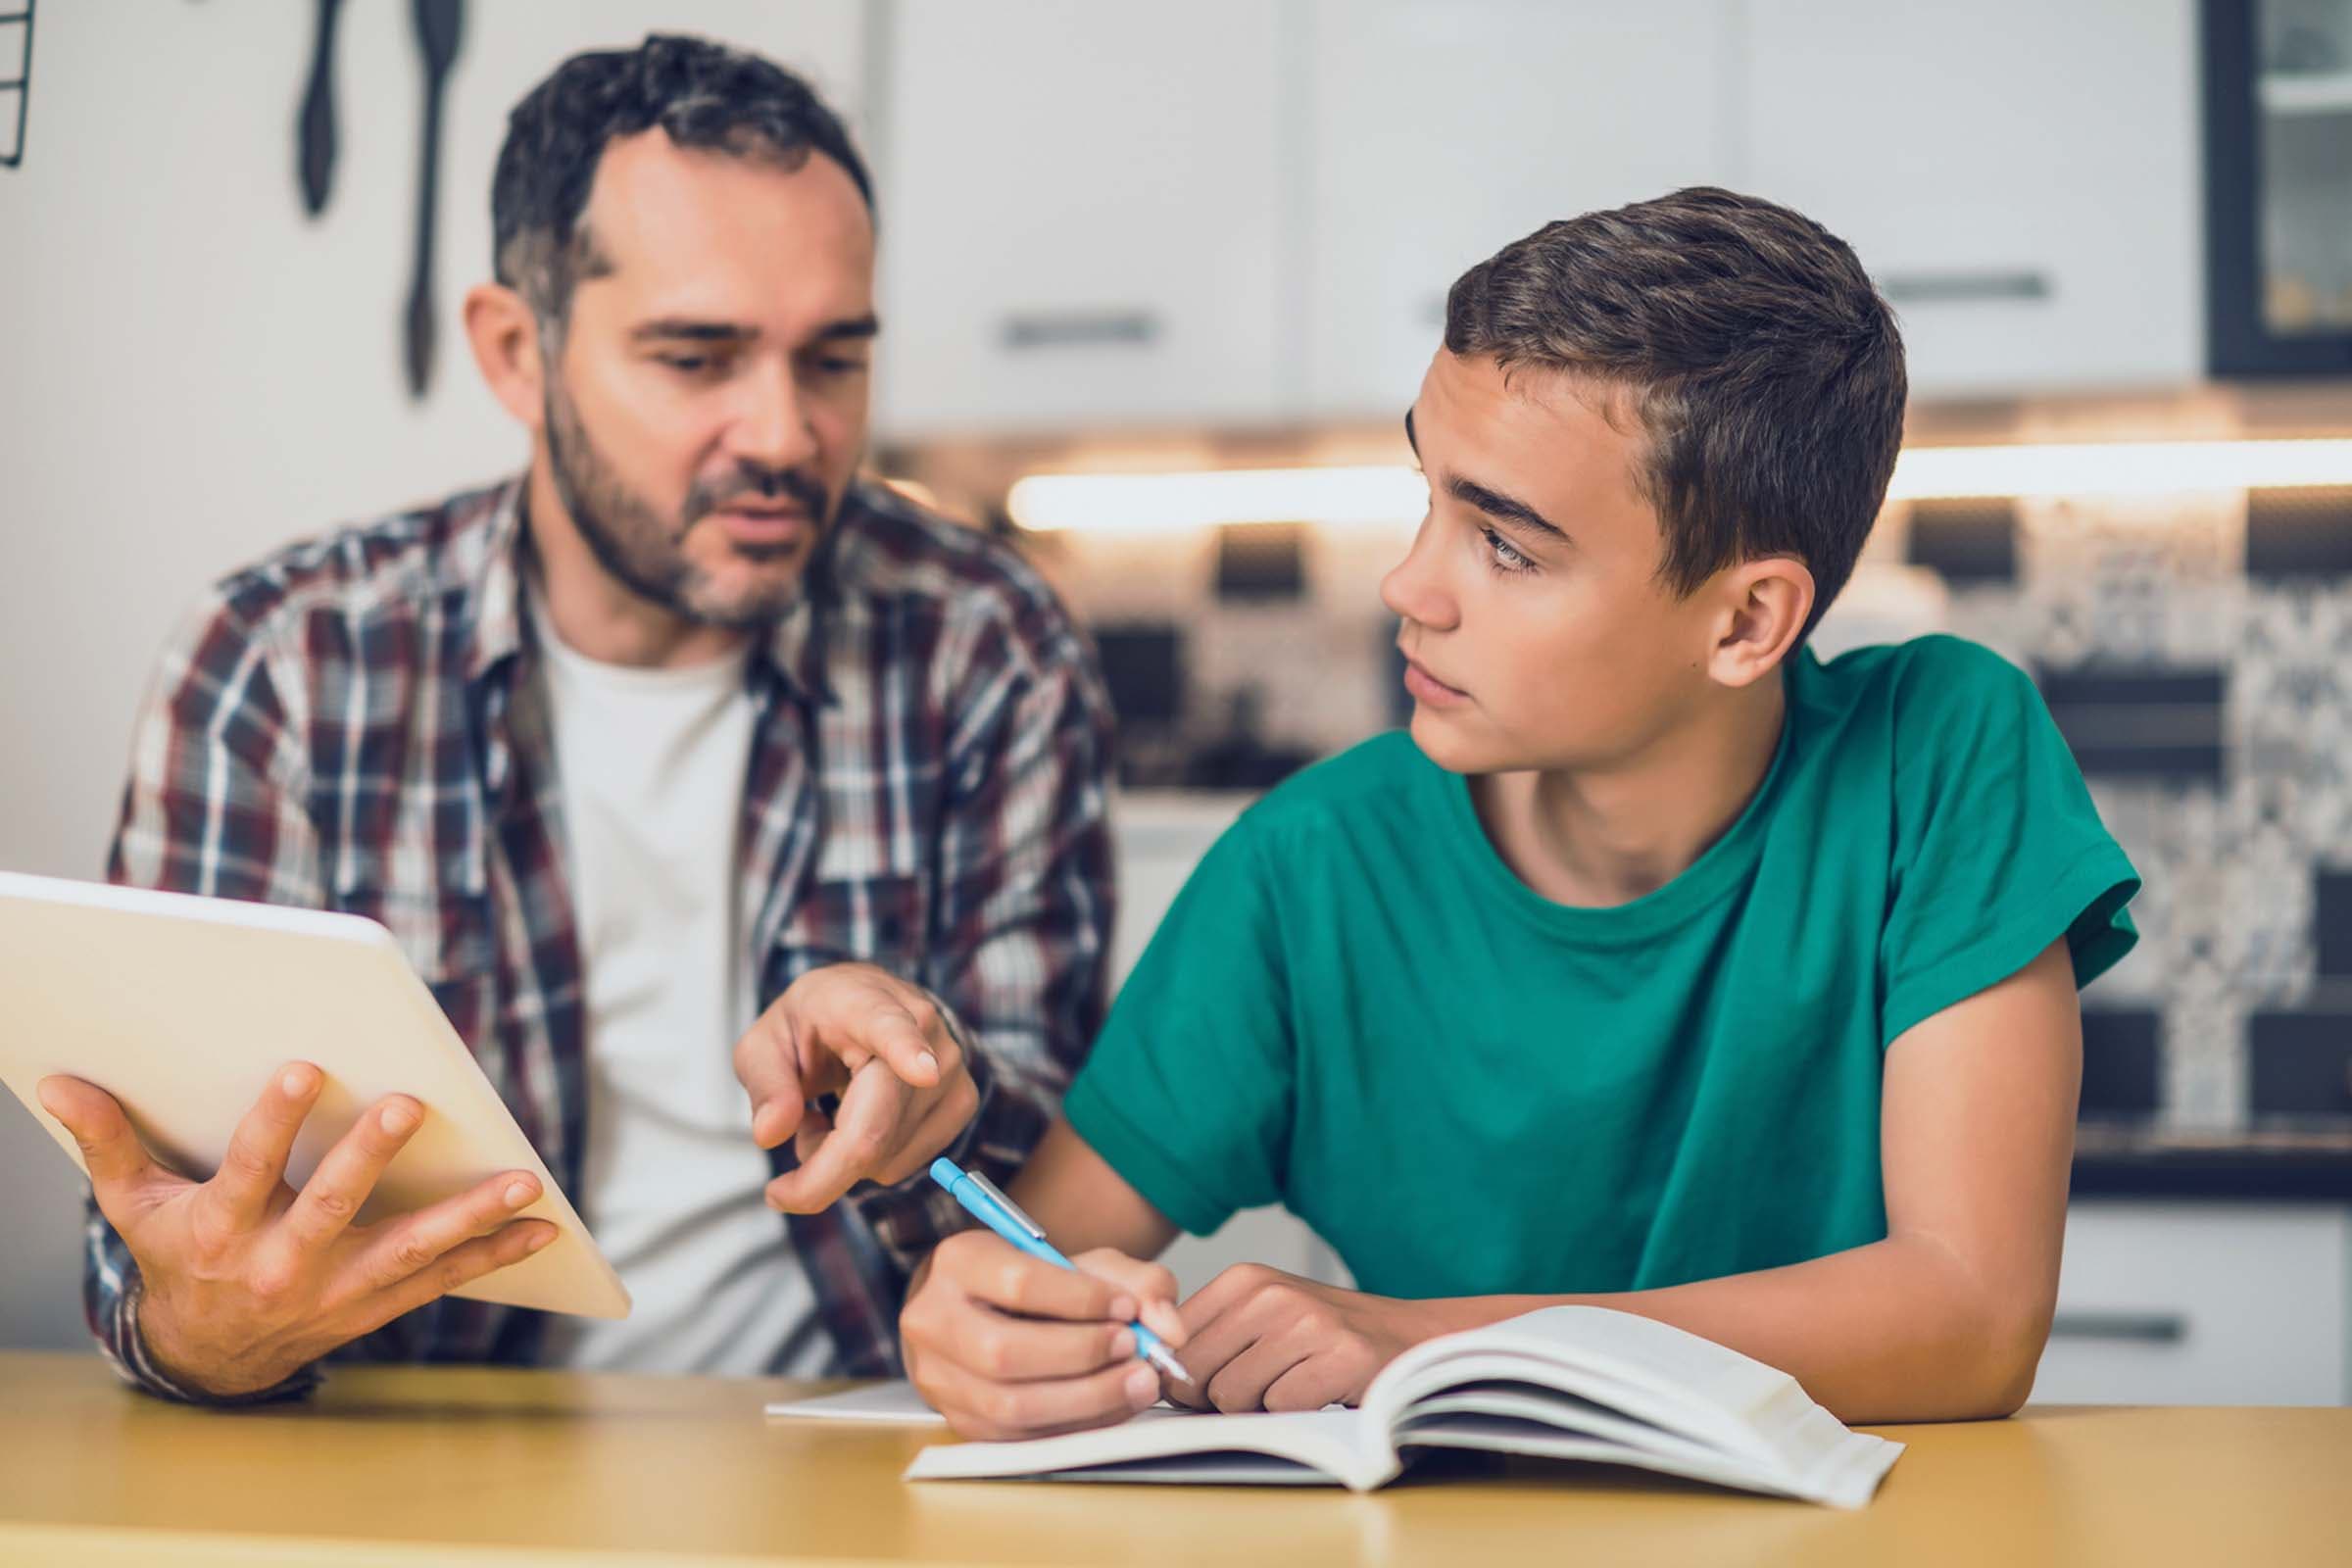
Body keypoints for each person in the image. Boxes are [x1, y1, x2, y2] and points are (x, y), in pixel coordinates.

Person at [899, 187, 2141, 1439]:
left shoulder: (1937, 750)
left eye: (1506, 544)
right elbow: (1031, 1269)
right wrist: (983, 1321)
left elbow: (1973, 1318)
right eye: (1430, 495)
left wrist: (1428, 1338)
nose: (1408, 584)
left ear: (1746, 621)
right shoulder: (1307, 870)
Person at [37, 33, 1114, 1403]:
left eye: (833, 360)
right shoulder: (287, 663)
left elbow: (1055, 1209)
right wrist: (205, 1327)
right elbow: (153, 1248)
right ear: (515, 351)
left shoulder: (987, 647)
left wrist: (934, 1097)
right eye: (697, 358)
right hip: (418, 1445)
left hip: (858, 1443)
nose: (785, 434)